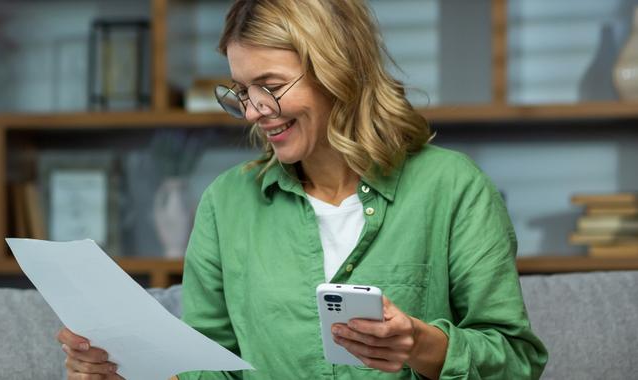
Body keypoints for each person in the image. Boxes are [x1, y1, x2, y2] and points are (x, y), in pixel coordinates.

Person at [57, 1, 548, 379]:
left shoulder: (452, 188)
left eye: (270, 85)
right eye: (242, 91)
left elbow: (517, 360)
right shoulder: (226, 203)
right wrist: (123, 367)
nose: (252, 111)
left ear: (338, 69)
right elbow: (212, 369)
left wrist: (420, 346)